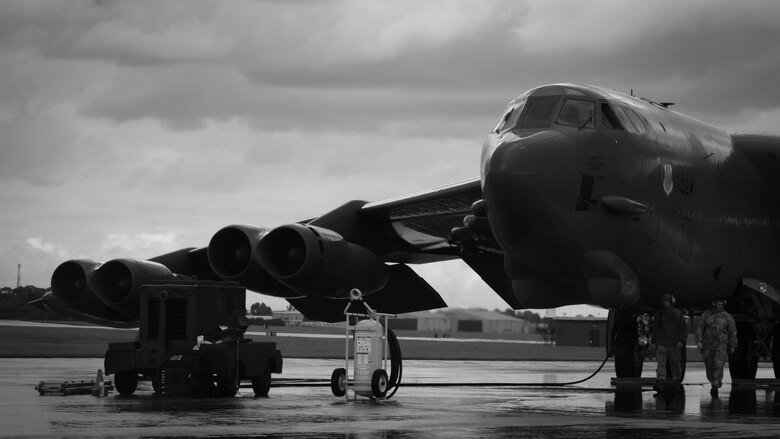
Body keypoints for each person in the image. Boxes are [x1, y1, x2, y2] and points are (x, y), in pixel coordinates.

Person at [695, 295, 737, 397]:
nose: (719, 306)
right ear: (714, 304)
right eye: (718, 304)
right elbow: (699, 328)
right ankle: (712, 380)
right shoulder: (706, 315)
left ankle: (715, 384)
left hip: (721, 345)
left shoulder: (727, 317)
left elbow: (732, 331)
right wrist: (699, 341)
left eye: (721, 304)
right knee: (709, 365)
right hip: (708, 345)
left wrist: (733, 345)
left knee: (719, 365)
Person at [652, 293, 688, 381]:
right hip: (664, 344)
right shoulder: (661, 314)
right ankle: (663, 381)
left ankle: (674, 381)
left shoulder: (677, 313)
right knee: (663, 365)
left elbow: (683, 329)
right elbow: (655, 328)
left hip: (673, 344)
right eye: (664, 301)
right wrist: (653, 341)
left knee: (674, 364)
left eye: (667, 301)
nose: (665, 303)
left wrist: (681, 341)